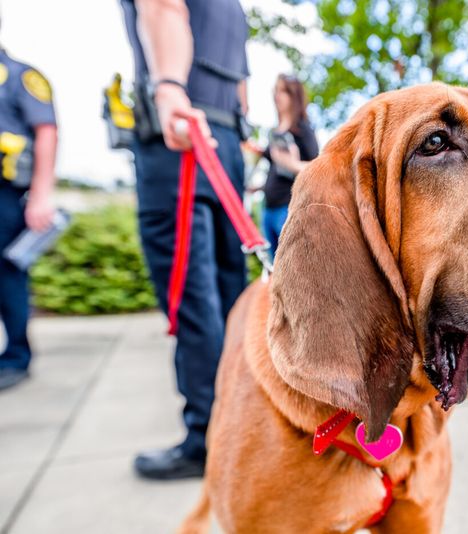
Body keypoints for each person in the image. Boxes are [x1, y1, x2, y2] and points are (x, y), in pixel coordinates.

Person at [120, 0, 250, 479]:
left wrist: (169, 87)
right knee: (231, 298)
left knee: (193, 301)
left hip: (180, 138)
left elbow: (162, 6)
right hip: (226, 141)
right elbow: (242, 88)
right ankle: (244, 426)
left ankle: (208, 441)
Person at [0, 35, 57, 392]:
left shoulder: (21, 75)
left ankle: (16, 357)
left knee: (8, 275)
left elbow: (46, 132)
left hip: (6, 192)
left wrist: (41, 195)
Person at [261, 74, 318, 254]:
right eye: (276, 90)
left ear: (294, 96)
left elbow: (316, 169)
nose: (277, 95)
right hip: (267, 210)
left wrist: (292, 164)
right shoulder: (275, 132)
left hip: (288, 209)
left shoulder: (303, 130)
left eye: (283, 91)